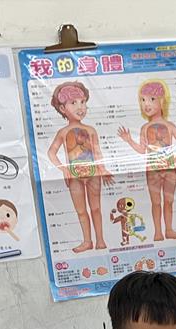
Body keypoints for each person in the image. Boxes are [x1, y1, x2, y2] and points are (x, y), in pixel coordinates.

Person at [117, 79, 176, 241]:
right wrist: (129, 140)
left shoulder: (169, 126)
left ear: (162, 101)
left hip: (169, 170)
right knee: (156, 203)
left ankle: (169, 230)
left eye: (151, 99)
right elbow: (142, 150)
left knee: (168, 201)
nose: (146, 104)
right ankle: (158, 232)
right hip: (152, 170)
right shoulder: (144, 128)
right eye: (143, 100)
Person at [47, 81, 113, 252]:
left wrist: (102, 168)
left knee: (96, 208)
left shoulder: (91, 130)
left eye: (83, 102)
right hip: (74, 177)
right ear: (62, 108)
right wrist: (64, 168)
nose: (80, 107)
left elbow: (97, 152)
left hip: (93, 174)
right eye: (73, 103)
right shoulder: (62, 133)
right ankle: (87, 241)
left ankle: (100, 240)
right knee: (81, 211)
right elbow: (51, 153)